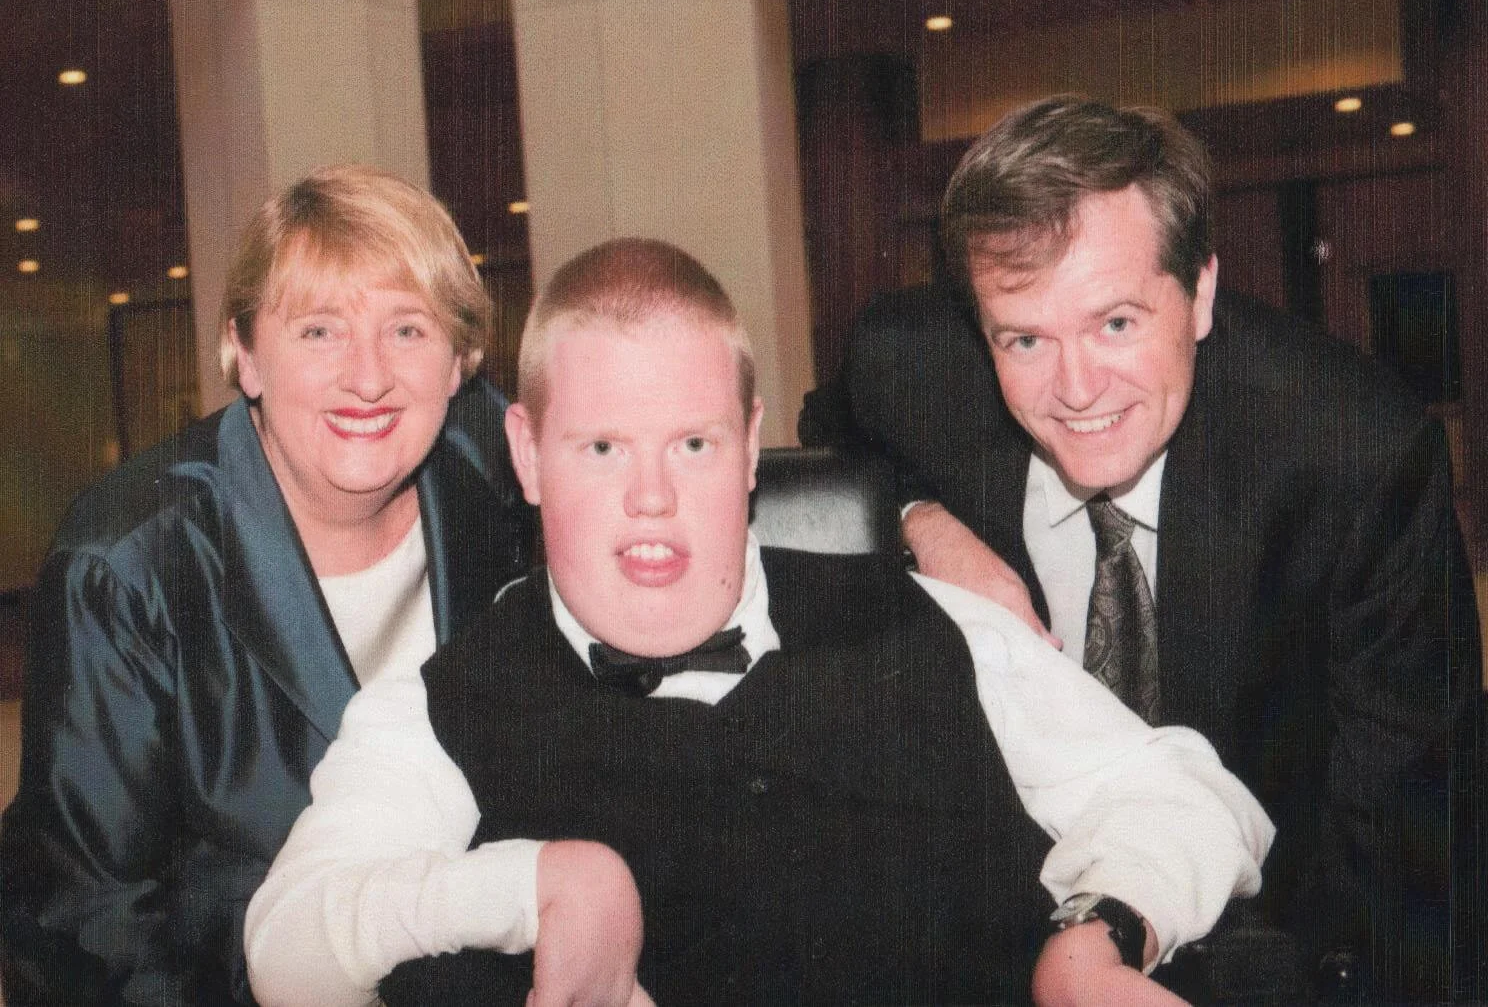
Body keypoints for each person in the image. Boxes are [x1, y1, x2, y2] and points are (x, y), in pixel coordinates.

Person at [245, 237, 1273, 1006]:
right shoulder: (438, 709)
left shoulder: (932, 623)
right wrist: (538, 882)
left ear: (747, 447)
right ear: (526, 453)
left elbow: (1193, 797)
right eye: (602, 448)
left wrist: (1096, 937)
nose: (651, 495)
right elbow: (284, 940)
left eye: (690, 444)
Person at [805, 95, 1483, 1001]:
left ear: (1200, 291)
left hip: (1274, 944)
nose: (1077, 388)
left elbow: (1405, 837)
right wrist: (918, 520)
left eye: (1116, 322)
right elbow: (828, 445)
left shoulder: (1353, 452)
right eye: (1026, 338)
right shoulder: (908, 365)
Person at [0, 165, 538, 1004]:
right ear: (244, 356)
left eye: (408, 330)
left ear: (463, 360)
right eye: (318, 332)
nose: (368, 378)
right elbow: (84, 928)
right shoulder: (126, 566)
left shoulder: (502, 479)